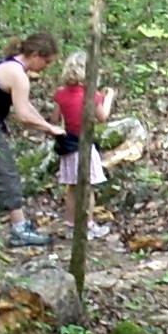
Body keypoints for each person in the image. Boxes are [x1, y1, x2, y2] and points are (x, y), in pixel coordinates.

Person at [0, 32, 64, 247]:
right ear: (35, 55)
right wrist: (49, 128)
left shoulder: (7, 65)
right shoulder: (18, 75)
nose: (46, 66)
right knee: (5, 172)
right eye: (46, 61)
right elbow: (23, 115)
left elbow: (27, 107)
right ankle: (19, 228)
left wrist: (47, 127)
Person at [52, 51, 113, 220]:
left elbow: (54, 119)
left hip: (68, 145)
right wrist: (108, 98)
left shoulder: (60, 94)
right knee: (87, 188)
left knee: (72, 187)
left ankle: (71, 222)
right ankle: (89, 224)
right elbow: (102, 117)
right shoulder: (92, 95)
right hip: (85, 145)